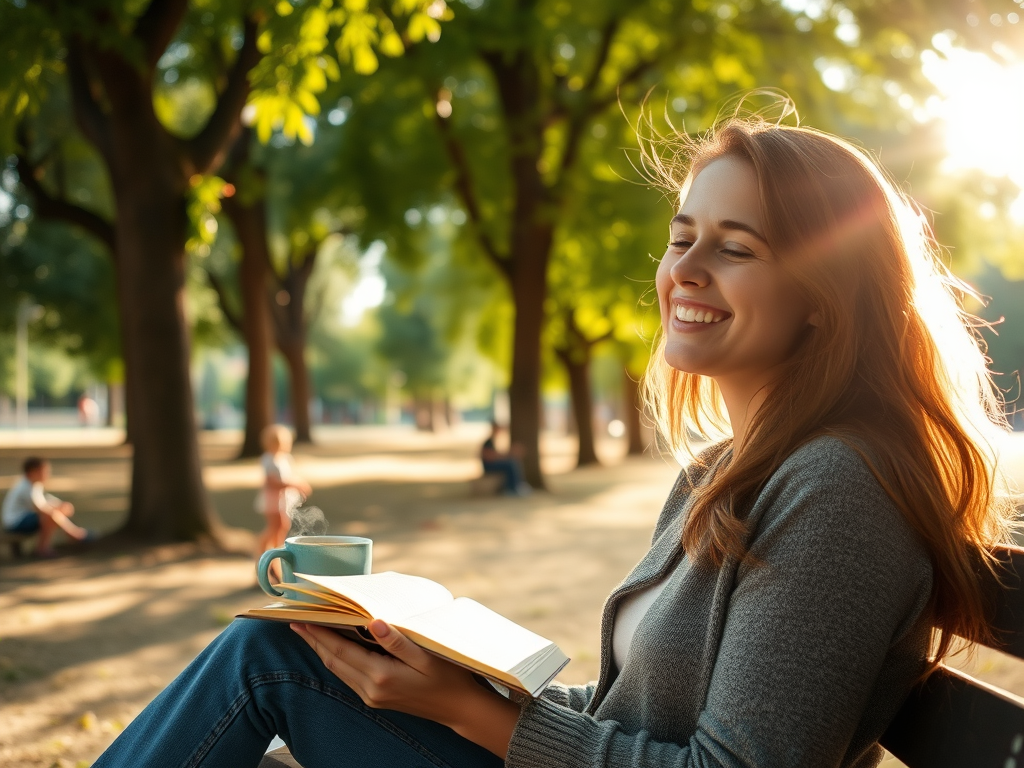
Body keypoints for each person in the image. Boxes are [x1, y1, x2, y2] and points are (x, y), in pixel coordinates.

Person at [93, 113, 1015, 768]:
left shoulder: (840, 488)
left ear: (826, 296)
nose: (686, 270)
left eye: (736, 247)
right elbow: (629, 716)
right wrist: (461, 680)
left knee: (266, 664)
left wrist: (472, 714)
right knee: (283, 655)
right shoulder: (721, 470)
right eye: (681, 238)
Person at [254, 425, 312, 582]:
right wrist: (294, 485)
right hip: (273, 500)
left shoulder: (284, 458)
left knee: (281, 528)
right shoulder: (269, 460)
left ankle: (274, 559)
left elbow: (288, 476)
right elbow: (271, 483)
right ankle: (263, 557)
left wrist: (297, 483)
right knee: (275, 527)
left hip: (283, 500)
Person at [2, 457, 91, 557]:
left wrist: (60, 505)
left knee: (52, 514)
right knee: (49, 516)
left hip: (23, 519)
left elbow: (44, 502)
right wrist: (58, 509)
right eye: (44, 471)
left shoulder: (33, 484)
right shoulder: (25, 486)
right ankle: (67, 537)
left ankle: (74, 534)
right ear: (32, 472)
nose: (47, 475)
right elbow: (42, 509)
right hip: (16, 523)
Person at [481, 421, 531, 496]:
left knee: (514, 462)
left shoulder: (495, 441)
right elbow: (489, 456)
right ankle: (511, 488)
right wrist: (506, 455)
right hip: (489, 466)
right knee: (510, 464)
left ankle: (518, 484)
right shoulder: (488, 442)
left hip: (493, 463)